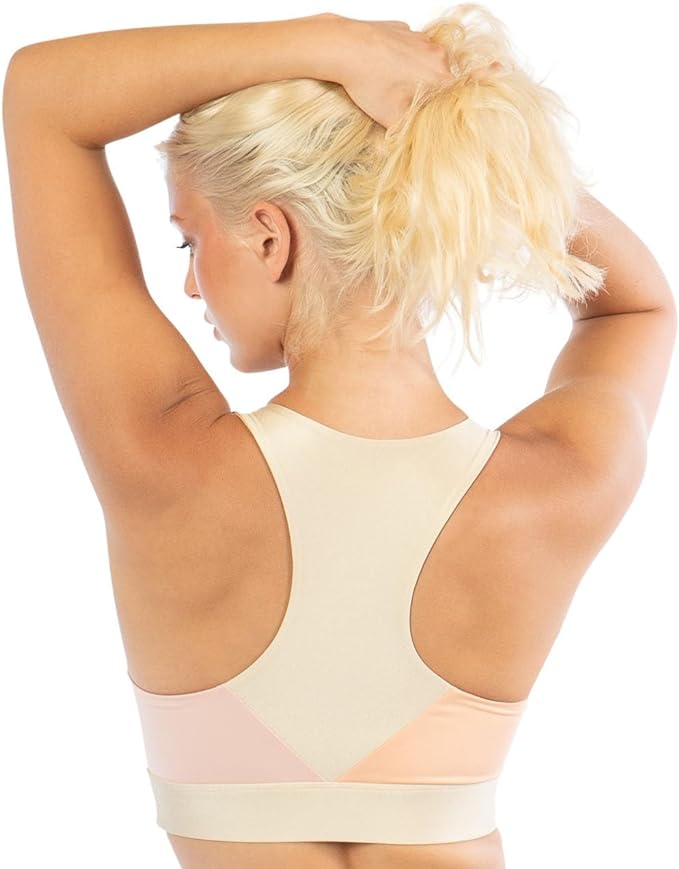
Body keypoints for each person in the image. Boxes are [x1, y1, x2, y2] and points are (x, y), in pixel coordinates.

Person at [3, 6, 675, 869]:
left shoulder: (162, 459)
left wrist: (324, 41)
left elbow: (42, 97)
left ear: (269, 235)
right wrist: (481, 157)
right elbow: (636, 306)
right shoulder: (557, 486)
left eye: (188, 239)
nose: (191, 283)